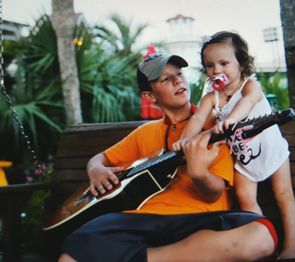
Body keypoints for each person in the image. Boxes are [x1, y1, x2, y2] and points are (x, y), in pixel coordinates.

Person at [58, 53, 278, 262]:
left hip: (200, 221)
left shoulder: (215, 125)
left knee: (261, 236)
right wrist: (95, 170)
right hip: (142, 220)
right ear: (149, 96)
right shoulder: (145, 133)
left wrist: (198, 172)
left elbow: (213, 195)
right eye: (166, 79)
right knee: (76, 245)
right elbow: (100, 159)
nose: (178, 81)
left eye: (180, 74)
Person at [172, 31, 295, 259]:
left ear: (241, 64)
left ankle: (291, 247)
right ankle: (261, 244)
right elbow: (198, 119)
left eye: (224, 63)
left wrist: (231, 119)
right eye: (210, 66)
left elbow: (248, 102)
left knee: (284, 195)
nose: (217, 70)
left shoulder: (251, 86)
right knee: (245, 199)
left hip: (272, 151)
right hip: (243, 159)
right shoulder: (212, 98)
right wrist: (186, 139)